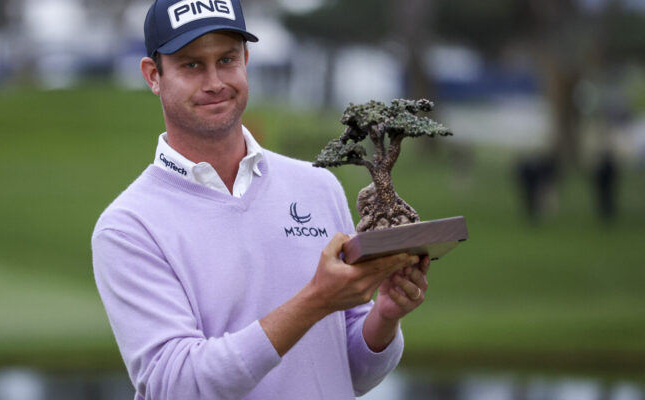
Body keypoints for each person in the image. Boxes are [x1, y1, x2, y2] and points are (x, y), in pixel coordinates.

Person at [91, 0, 430, 398]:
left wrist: (384, 319)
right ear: (154, 75)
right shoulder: (129, 226)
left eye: (227, 59)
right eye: (191, 65)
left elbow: (346, 369)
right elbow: (178, 386)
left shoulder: (316, 186)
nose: (215, 81)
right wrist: (315, 300)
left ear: (246, 59)